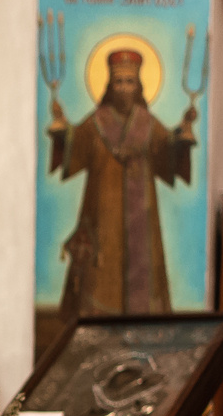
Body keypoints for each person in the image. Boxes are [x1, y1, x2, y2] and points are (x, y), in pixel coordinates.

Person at [52, 46, 198, 321]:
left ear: (138, 85)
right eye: (118, 82)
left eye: (129, 82)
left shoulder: (148, 124)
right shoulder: (96, 123)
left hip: (142, 215)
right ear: (110, 85)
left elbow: (167, 152)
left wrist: (182, 138)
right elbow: (75, 145)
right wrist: (61, 130)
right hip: (102, 216)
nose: (123, 88)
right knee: (101, 268)